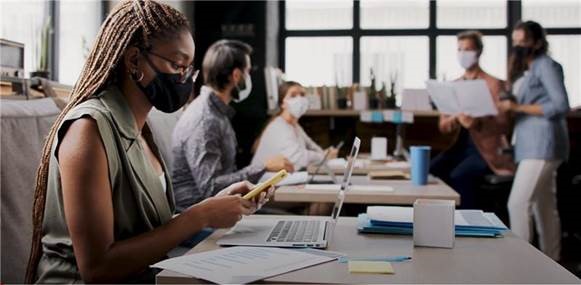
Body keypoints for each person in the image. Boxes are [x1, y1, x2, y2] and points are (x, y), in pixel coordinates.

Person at [26, 1, 270, 283]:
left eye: (188, 68)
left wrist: (214, 205)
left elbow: (150, 230)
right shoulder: (88, 130)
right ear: (133, 60)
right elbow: (97, 268)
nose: (184, 79)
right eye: (177, 64)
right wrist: (199, 217)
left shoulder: (141, 129)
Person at [171, 39, 294, 212]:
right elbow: (211, 188)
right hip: (202, 218)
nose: (249, 77)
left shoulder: (218, 113)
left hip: (223, 207)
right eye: (248, 72)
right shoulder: (205, 119)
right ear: (236, 75)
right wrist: (263, 166)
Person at [498, 21, 569, 261]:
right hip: (531, 145)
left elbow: (560, 105)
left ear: (538, 42)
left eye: (524, 42)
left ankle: (522, 264)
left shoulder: (545, 65)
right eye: (515, 42)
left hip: (543, 143)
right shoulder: (527, 70)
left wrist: (517, 106)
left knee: (517, 204)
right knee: (544, 209)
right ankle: (553, 262)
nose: (518, 46)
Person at [430, 30, 515, 209]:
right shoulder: (454, 85)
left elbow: (505, 125)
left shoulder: (494, 84)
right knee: (431, 171)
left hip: (486, 150)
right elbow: (443, 126)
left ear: (479, 51)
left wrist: (477, 122)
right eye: (459, 49)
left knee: (460, 175)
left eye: (467, 49)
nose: (463, 54)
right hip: (459, 148)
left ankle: (468, 224)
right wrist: (456, 118)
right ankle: (440, 220)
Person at [252, 81, 338, 170]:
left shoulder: (294, 125)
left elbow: (311, 145)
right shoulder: (278, 127)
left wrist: (325, 154)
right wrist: (324, 157)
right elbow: (299, 158)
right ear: (283, 103)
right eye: (293, 95)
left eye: (302, 95)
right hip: (264, 180)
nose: (299, 99)